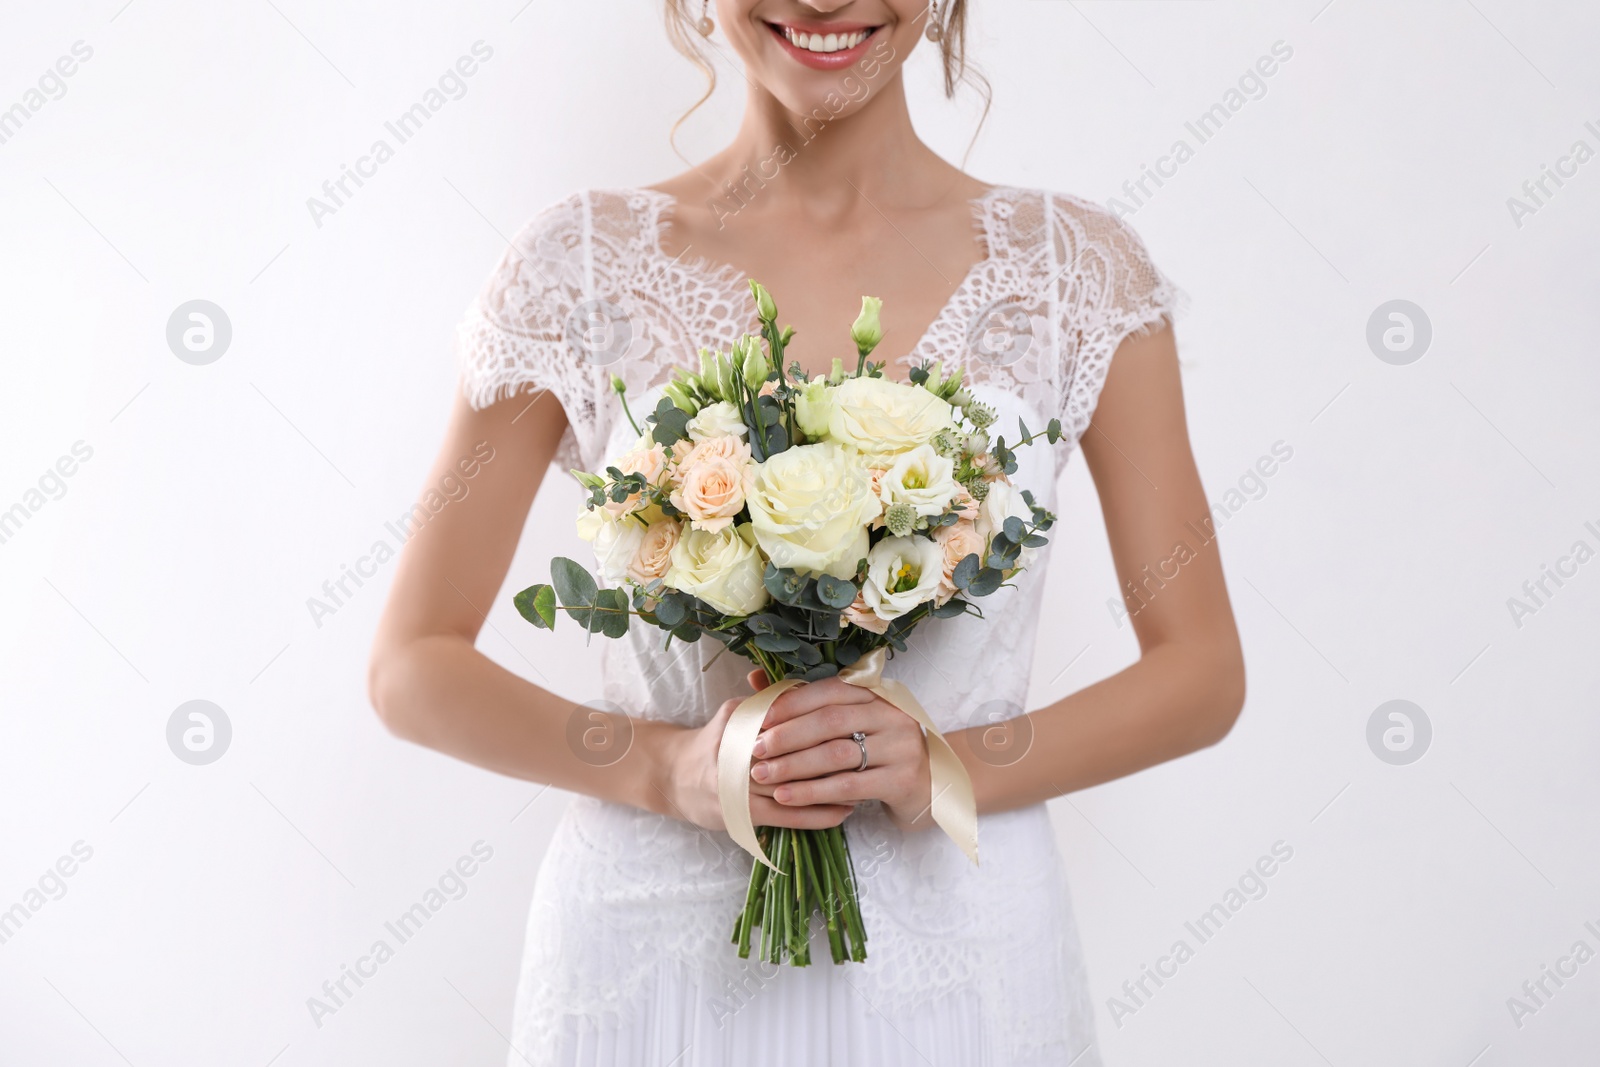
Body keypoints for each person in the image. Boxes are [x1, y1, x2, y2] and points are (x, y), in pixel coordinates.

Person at [368, 2, 1245, 1063]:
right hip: (652, 953)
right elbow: (412, 663)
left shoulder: (1073, 271)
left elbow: (1200, 669)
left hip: (966, 956)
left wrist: (944, 766)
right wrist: (668, 770)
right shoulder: (580, 264)